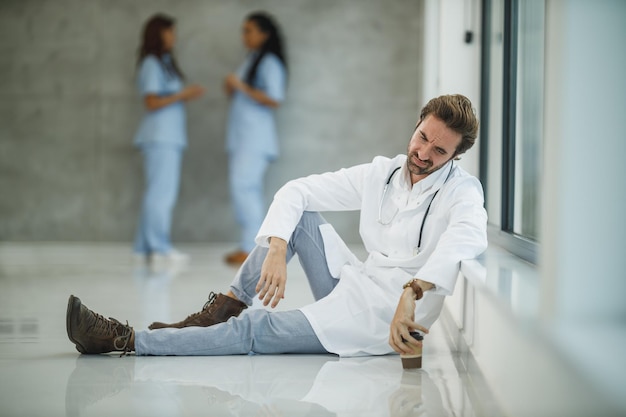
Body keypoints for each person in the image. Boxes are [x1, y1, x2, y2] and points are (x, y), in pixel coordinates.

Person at [67, 94, 488, 359]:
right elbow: (297, 190)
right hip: (356, 282)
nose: (423, 152)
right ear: (416, 125)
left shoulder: (463, 192)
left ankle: (124, 340)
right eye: (421, 137)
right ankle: (226, 306)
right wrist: (276, 248)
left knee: (258, 329)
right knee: (299, 217)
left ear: (455, 156)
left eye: (438, 149)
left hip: (380, 318)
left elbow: (465, 239)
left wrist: (413, 293)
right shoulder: (384, 172)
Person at [132, 14, 205, 264]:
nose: (174, 37)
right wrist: (183, 94)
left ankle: (144, 249)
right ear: (159, 33)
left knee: (157, 193)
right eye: (170, 32)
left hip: (168, 137)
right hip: (160, 137)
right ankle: (159, 248)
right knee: (161, 195)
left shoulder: (163, 62)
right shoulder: (152, 63)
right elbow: (151, 102)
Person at [222, 12, 288, 266]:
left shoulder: (270, 62)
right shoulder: (252, 59)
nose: (244, 36)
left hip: (255, 139)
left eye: (249, 30)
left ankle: (251, 247)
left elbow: (274, 98)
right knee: (244, 189)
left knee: (245, 188)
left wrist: (239, 86)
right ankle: (248, 245)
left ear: (264, 33)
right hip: (242, 137)